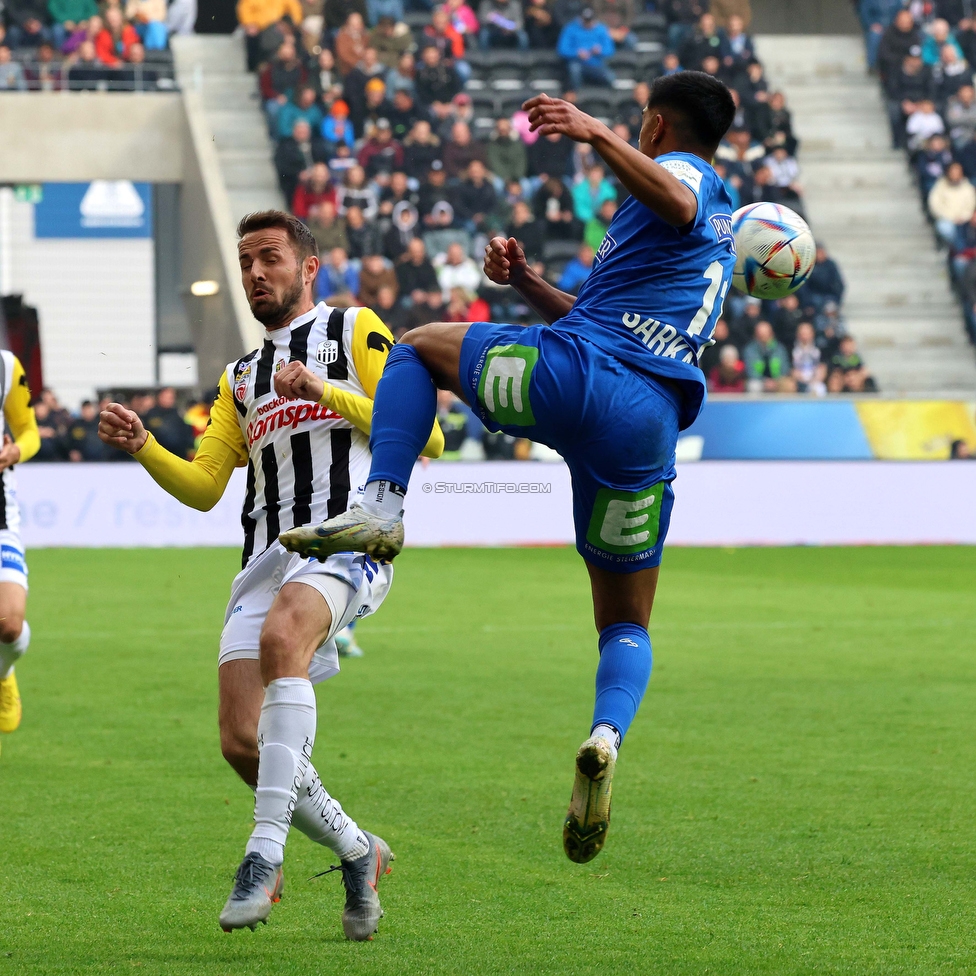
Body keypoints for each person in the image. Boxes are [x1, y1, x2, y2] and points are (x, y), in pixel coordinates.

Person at [280, 73, 738, 865]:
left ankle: (382, 505)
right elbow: (607, 317)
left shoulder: (693, 181)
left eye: (638, 124)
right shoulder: (709, 249)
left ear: (656, 125)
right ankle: (604, 736)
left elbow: (680, 199)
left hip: (588, 379)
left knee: (418, 346)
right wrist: (526, 283)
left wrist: (594, 132)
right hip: (644, 429)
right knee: (624, 622)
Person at [97, 211, 444, 937]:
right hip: (266, 556)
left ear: (307, 267)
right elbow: (203, 486)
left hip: (348, 538)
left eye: (270, 259)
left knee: (288, 636)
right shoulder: (239, 377)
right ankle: (358, 850)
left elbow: (429, 436)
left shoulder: (355, 332)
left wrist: (325, 392)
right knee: (238, 741)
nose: (256, 272)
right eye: (247, 261)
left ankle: (263, 855)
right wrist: (144, 446)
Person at [0, 349, 41, 747]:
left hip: (0, 515)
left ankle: (3, 672)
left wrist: (14, 450)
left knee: (9, 625)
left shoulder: (5, 366)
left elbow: (29, 432)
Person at [557, 6, 615, 90]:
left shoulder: (601, 29)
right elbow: (562, 49)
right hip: (577, 63)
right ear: (580, 18)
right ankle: (577, 94)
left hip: (596, 64)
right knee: (574, 69)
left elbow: (610, 50)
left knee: (610, 77)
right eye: (586, 20)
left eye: (590, 20)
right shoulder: (570, 28)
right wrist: (576, 53)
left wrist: (600, 50)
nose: (588, 23)